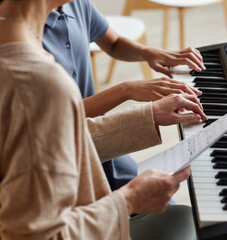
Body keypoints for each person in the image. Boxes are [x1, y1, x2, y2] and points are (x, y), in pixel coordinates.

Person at [0, 0, 207, 239]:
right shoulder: (39, 83)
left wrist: (147, 115)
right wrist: (127, 202)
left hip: (103, 174)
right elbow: (35, 234)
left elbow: (55, 139)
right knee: (183, 219)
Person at [43, 0, 206, 190]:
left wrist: (147, 52)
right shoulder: (22, 41)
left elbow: (114, 43)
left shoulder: (76, 4)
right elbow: (58, 119)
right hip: (65, 155)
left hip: (102, 139)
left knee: (162, 199)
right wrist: (126, 90)